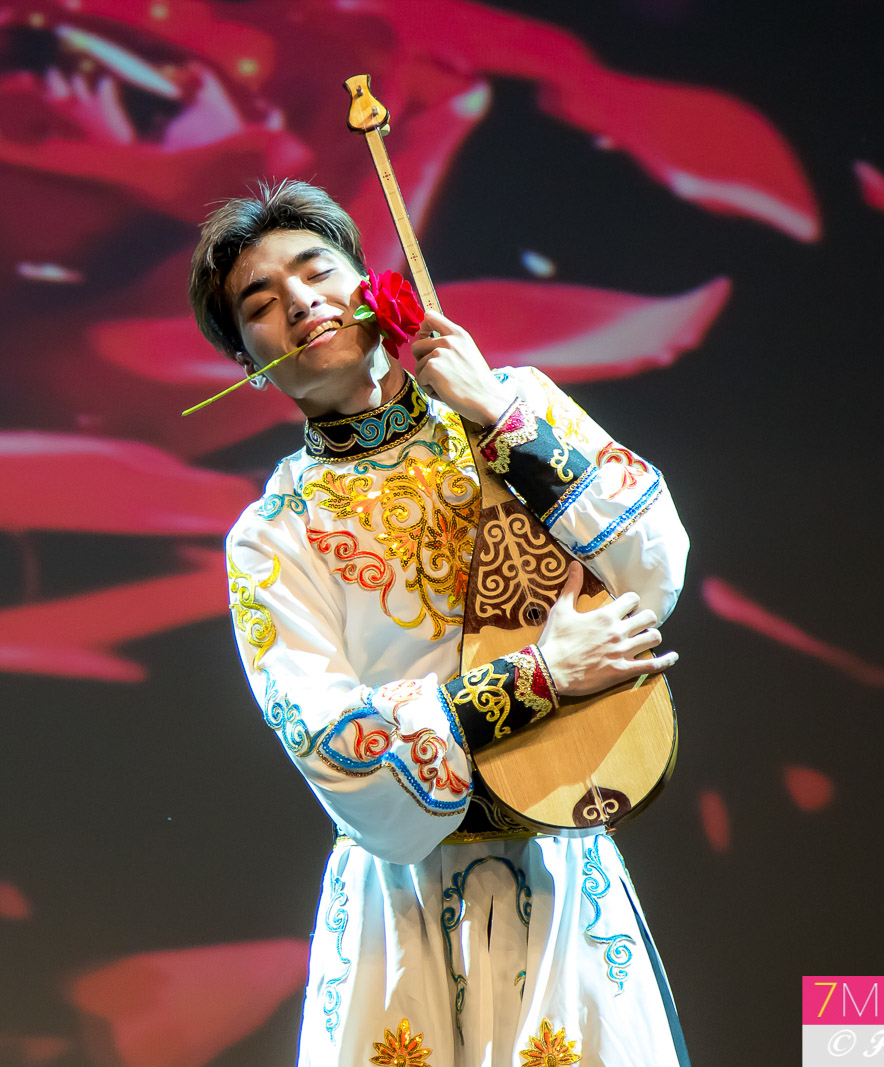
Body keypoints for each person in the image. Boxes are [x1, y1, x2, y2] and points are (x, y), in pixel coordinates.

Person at [189, 179, 692, 1067]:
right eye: (260, 304)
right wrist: (538, 675)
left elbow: (653, 564)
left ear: (370, 285)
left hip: (561, 857)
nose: (300, 300)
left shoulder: (508, 404)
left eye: (317, 270)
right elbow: (326, 737)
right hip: (402, 900)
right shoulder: (273, 536)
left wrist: (497, 414)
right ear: (248, 360)